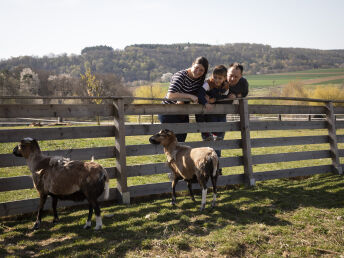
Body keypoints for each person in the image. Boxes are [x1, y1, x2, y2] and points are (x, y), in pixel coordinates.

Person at [158, 56, 209, 142]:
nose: (198, 71)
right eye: (196, 68)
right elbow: (170, 95)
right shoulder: (181, 76)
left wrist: (206, 96)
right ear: (192, 65)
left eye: (201, 70)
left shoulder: (199, 80)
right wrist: (189, 96)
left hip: (183, 113)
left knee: (181, 140)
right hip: (168, 111)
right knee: (172, 141)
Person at [196, 65, 229, 160]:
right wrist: (206, 102)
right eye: (215, 77)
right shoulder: (208, 84)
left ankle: (217, 163)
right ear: (212, 76)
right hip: (207, 114)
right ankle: (210, 162)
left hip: (219, 113)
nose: (217, 80)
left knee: (218, 140)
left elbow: (224, 97)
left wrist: (213, 99)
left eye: (220, 78)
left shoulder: (226, 86)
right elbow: (200, 93)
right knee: (210, 140)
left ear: (224, 78)